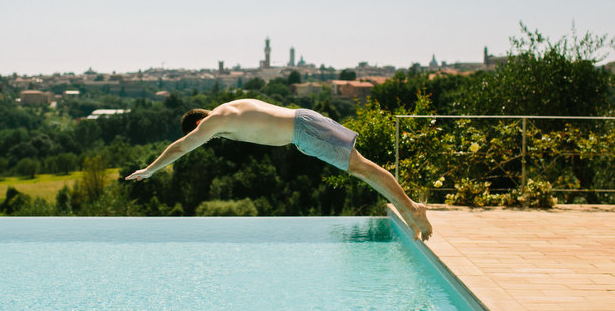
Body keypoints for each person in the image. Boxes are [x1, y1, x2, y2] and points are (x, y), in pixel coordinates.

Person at [125, 98, 432, 241]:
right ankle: (408, 209)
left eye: (202, 136)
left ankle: (412, 208)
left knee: (362, 168)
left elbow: (180, 146)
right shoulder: (232, 107)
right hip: (304, 126)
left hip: (304, 132)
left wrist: (150, 169)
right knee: (360, 169)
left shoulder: (215, 121)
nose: (207, 139)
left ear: (197, 124)